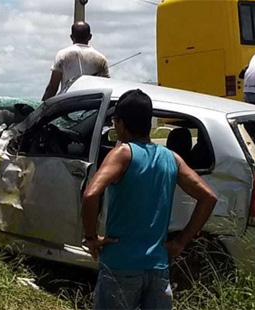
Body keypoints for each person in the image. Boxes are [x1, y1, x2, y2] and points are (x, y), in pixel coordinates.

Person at [82, 89, 218, 310]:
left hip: (121, 265)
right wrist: (180, 242)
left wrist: (91, 238)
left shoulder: (123, 153)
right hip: (158, 266)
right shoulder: (170, 157)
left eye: (115, 121)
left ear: (121, 124)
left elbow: (90, 194)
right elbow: (208, 197)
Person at [42, 21, 110, 101]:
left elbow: (52, 87)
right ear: (90, 37)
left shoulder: (62, 55)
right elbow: (106, 85)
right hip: (91, 107)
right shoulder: (100, 58)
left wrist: (41, 108)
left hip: (68, 104)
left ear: (71, 37)